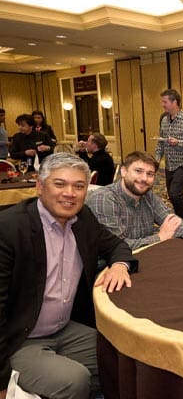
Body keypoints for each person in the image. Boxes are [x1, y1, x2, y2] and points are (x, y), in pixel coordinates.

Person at [0, 153, 137, 399]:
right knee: (75, 380)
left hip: (66, 329)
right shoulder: (9, 229)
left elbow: (116, 245)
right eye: (59, 184)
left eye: (79, 186)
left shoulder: (82, 219)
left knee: (125, 356)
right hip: (19, 337)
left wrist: (120, 266)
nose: (70, 193)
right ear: (40, 187)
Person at [87, 151, 183, 251]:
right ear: (123, 171)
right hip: (107, 271)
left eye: (150, 174)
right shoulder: (104, 199)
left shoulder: (147, 196)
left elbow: (173, 223)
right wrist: (159, 237)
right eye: (138, 171)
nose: (144, 178)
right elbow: (116, 247)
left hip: (141, 261)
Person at [154, 89, 183, 221]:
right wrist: (156, 160)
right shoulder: (164, 120)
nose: (163, 104)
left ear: (175, 102)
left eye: (165, 102)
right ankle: (182, 222)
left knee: (175, 193)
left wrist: (178, 142)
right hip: (170, 164)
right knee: (172, 195)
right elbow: (161, 141)